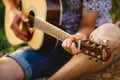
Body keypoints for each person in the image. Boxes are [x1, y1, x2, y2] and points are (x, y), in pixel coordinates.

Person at [0, 0, 116, 80]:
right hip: (47, 44)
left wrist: (79, 37)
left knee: (110, 36)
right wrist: (12, 9)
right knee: (3, 70)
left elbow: (87, 25)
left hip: (85, 42)